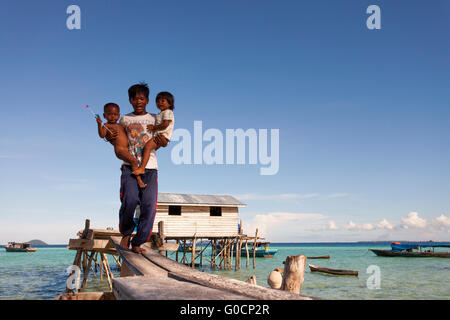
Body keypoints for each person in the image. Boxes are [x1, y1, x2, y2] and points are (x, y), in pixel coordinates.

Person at [115, 82, 168, 254]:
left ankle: (138, 242)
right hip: (129, 167)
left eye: (142, 98)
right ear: (130, 100)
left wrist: (162, 142)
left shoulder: (155, 118)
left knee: (149, 206)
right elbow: (119, 146)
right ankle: (127, 232)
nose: (138, 101)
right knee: (129, 199)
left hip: (151, 168)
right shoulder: (125, 120)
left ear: (147, 100)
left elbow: (163, 138)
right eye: (135, 98)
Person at [95, 103, 147, 189]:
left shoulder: (120, 125)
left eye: (115, 114)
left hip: (127, 149)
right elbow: (102, 135)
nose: (113, 117)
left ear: (119, 115)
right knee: (134, 161)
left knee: (134, 160)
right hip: (119, 150)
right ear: (104, 115)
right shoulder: (106, 125)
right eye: (110, 114)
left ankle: (124, 165)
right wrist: (99, 124)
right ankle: (139, 181)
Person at [133, 91, 175, 176]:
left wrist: (154, 127)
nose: (160, 103)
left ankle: (141, 168)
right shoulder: (160, 113)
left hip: (162, 135)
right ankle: (138, 165)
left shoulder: (168, 112)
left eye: (163, 101)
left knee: (147, 148)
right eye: (158, 101)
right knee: (148, 150)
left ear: (170, 103)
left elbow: (165, 124)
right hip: (160, 135)